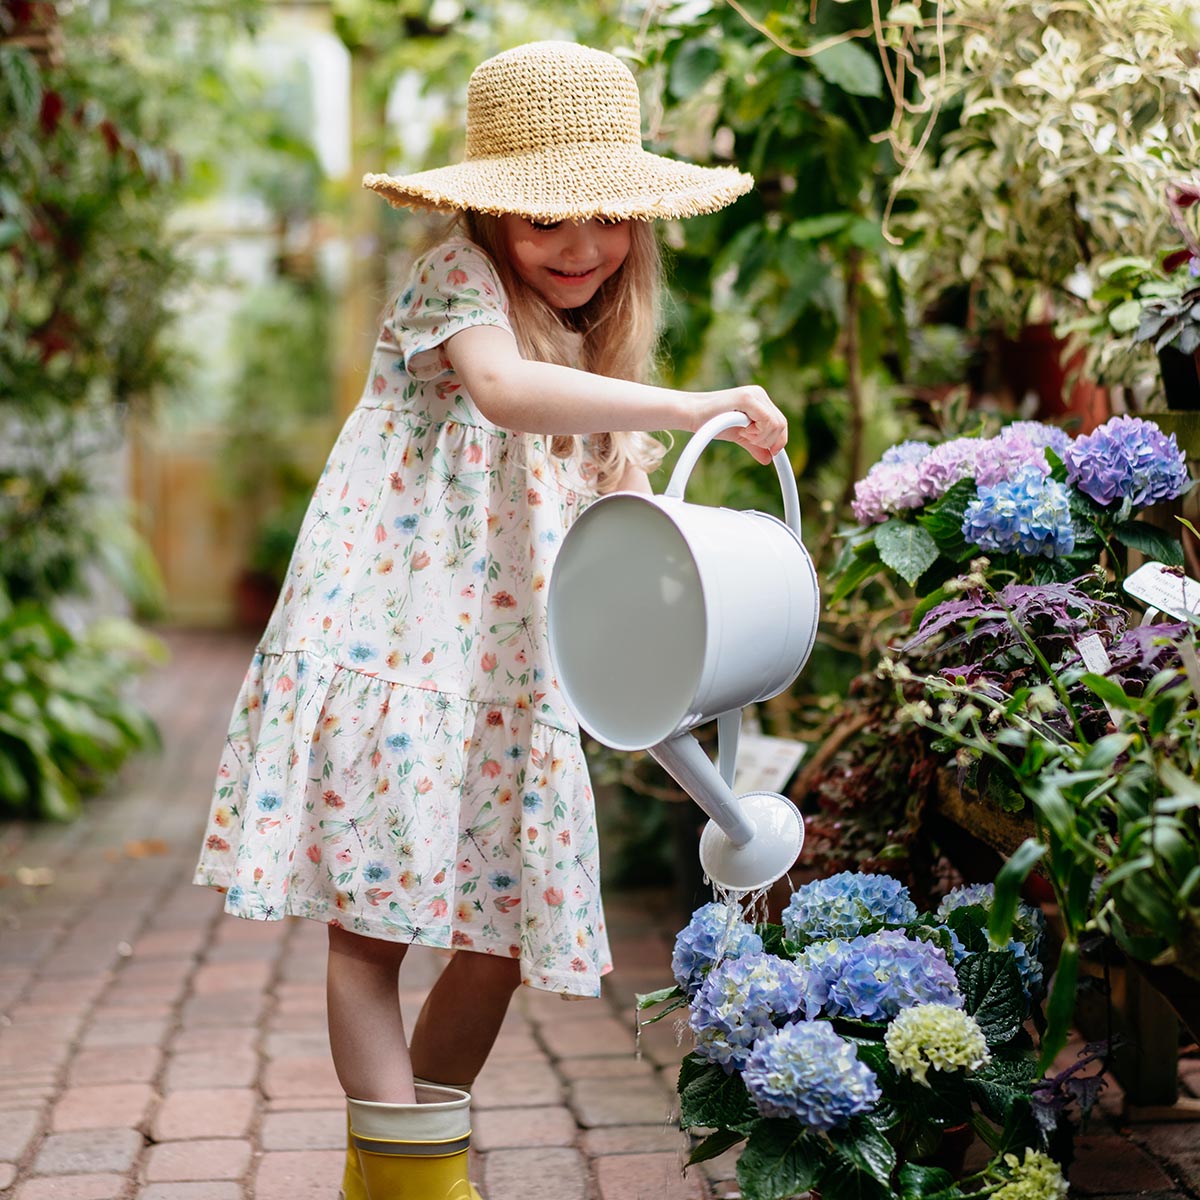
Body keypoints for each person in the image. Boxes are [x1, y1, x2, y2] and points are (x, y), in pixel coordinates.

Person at [193, 39, 787, 1200]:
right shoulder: (456, 287)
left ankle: (397, 1168)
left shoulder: (601, 368)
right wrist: (695, 399)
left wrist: (677, 707)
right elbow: (505, 394)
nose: (579, 246)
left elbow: (629, 566)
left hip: (512, 686)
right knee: (371, 937)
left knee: (500, 944)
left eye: (608, 217)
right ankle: (421, 1186)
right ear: (492, 212)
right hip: (397, 655)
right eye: (545, 219)